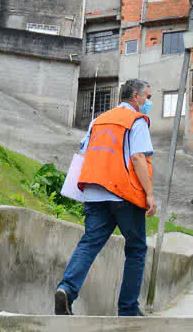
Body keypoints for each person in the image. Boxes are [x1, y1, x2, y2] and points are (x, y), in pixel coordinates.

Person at [55, 79, 157, 317]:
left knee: (90, 242)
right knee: (136, 248)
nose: (148, 102)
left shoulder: (97, 121)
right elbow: (138, 158)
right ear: (135, 97)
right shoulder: (136, 120)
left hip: (94, 192)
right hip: (124, 193)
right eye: (147, 97)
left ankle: (66, 289)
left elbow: (84, 154)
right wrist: (150, 194)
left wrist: (81, 192)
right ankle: (128, 308)